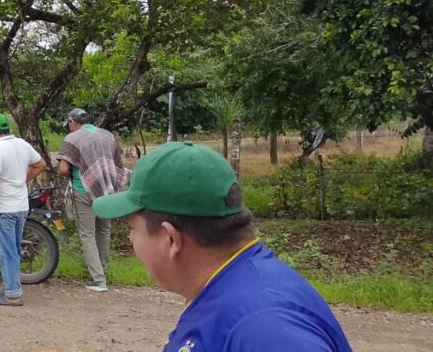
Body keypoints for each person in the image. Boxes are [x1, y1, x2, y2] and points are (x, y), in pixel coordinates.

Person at [93, 141, 353, 351]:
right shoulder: (226, 285)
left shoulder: (263, 327)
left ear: (171, 239)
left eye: (133, 229)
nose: (131, 240)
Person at [0, 113, 47, 306]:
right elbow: (41, 164)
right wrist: (21, 180)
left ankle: (13, 295)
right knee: (12, 250)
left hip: (3, 208)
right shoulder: (22, 144)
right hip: (20, 206)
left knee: (6, 251)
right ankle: (11, 287)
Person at [55, 108, 127, 292]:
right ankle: (103, 271)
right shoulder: (107, 135)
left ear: (72, 122)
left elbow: (63, 169)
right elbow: (118, 161)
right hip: (108, 190)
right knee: (104, 230)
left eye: (69, 125)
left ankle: (98, 280)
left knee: (87, 234)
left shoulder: (72, 138)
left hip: (83, 190)